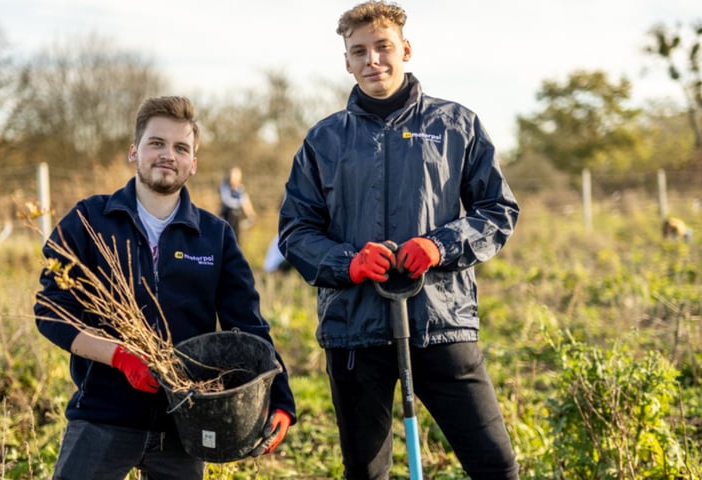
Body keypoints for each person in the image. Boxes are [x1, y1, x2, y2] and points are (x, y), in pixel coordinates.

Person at [277, 2, 520, 479]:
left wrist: (440, 246)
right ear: (346, 62)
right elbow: (296, 231)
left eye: (383, 47)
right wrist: (348, 263)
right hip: (353, 330)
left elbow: (498, 210)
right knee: (366, 473)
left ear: (405, 49)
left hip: (442, 322)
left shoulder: (456, 125)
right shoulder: (322, 141)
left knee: (496, 464)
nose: (373, 61)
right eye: (359, 51)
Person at [35, 96, 296, 480]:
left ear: (193, 164)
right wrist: (120, 356)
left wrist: (281, 398)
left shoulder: (215, 236)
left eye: (181, 148)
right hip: (103, 413)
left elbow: (249, 326)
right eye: (156, 143)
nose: (167, 155)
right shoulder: (90, 220)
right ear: (134, 151)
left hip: (187, 421)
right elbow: (50, 309)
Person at [218, 166, 256, 241]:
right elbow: (224, 202)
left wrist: (251, 216)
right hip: (226, 222)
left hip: (237, 225)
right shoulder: (224, 188)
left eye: (236, 175)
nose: (234, 178)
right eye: (232, 175)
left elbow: (246, 204)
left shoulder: (241, 191)